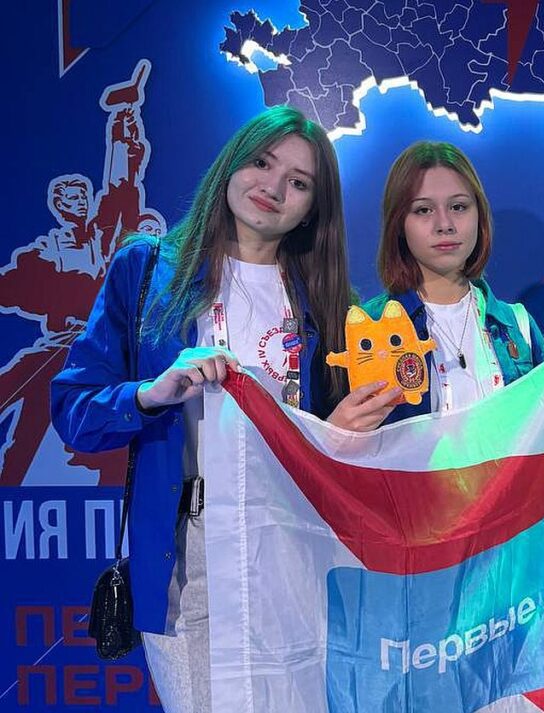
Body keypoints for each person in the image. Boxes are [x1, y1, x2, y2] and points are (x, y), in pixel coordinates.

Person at [50, 106, 384, 712]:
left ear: (313, 209)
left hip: (295, 549)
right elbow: (74, 410)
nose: (273, 187)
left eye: (299, 182)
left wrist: (334, 434)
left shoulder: (329, 302)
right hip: (189, 553)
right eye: (262, 162)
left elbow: (347, 460)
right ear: (232, 163)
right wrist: (151, 394)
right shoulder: (147, 268)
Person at [352, 141, 544, 426]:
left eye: (458, 207)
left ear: (479, 216)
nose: (444, 224)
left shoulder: (518, 325)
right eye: (423, 210)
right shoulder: (366, 327)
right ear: (399, 225)